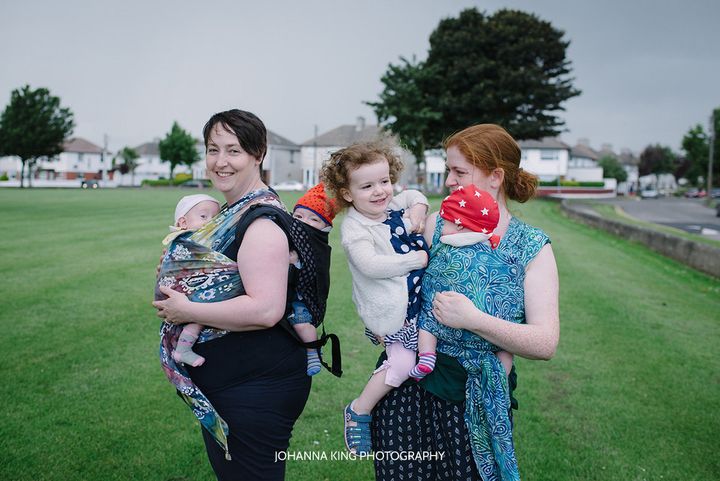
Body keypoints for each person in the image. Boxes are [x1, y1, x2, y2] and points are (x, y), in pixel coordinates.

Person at [371, 124, 560, 481]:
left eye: (459, 172)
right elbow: (399, 286)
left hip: (475, 397)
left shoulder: (532, 247)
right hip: (411, 386)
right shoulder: (435, 226)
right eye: (448, 170)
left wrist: (474, 319)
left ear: (496, 177)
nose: (448, 181)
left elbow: (545, 343)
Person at [153, 109, 311, 481]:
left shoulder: (260, 222)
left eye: (234, 151)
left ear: (258, 154)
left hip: (256, 386)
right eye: (213, 149)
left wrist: (186, 308)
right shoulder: (231, 211)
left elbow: (266, 310)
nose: (221, 162)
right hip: (240, 381)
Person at [319, 141, 429, 455]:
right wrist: (414, 260)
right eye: (367, 186)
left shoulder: (389, 205)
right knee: (403, 363)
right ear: (348, 194)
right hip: (394, 311)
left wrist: (419, 206)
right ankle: (359, 409)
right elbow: (370, 265)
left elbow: (412, 196)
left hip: (418, 301)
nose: (380, 191)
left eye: (384, 181)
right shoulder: (356, 227)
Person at [409, 185, 513, 381]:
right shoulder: (491, 244)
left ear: (458, 225)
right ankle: (502, 371)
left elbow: (433, 277)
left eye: (445, 222)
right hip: (491, 325)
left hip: (448, 315)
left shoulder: (449, 245)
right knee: (506, 341)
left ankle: (426, 357)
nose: (442, 227)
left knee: (428, 315)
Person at [163, 193, 221, 367]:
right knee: (199, 314)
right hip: (183, 289)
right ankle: (182, 350)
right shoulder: (187, 240)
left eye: (215, 218)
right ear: (183, 223)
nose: (210, 222)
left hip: (188, 286)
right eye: (203, 217)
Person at [288, 182, 337, 376]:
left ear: (325, 227)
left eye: (313, 219)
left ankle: (313, 351)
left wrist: (296, 262)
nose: (304, 222)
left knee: (301, 322)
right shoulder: (288, 234)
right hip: (279, 297)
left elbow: (317, 275)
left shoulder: (319, 246)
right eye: (298, 216)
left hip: (302, 299)